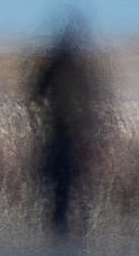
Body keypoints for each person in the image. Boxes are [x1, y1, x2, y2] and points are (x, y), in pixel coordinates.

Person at [28, 16, 108, 240]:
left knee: (71, 184)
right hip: (63, 132)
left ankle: (70, 229)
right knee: (63, 184)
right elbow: (36, 94)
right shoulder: (63, 65)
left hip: (73, 134)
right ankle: (64, 230)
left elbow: (35, 94)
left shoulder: (74, 66)